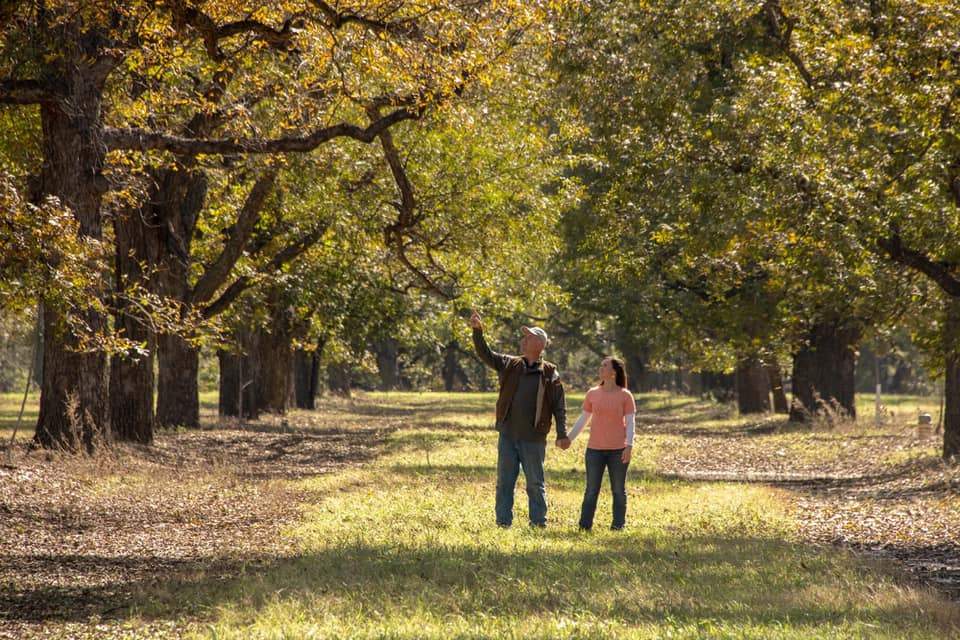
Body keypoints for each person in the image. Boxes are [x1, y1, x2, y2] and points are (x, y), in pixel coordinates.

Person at [469, 309, 569, 528]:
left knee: (535, 483)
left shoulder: (550, 372)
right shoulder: (509, 364)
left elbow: (559, 406)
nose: (523, 341)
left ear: (539, 344)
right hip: (508, 435)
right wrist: (478, 332)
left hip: (533, 438)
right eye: (524, 337)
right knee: (504, 482)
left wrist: (562, 434)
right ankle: (503, 523)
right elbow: (486, 354)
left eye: (528, 337)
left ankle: (538, 523)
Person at [566, 356, 637, 531]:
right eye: (601, 365)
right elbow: (583, 419)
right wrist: (568, 438)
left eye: (604, 366)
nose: (601, 368)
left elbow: (630, 423)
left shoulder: (625, 396)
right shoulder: (592, 394)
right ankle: (584, 526)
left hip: (618, 450)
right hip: (594, 451)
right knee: (591, 490)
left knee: (618, 490)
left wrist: (629, 445)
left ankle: (618, 526)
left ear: (613, 372)